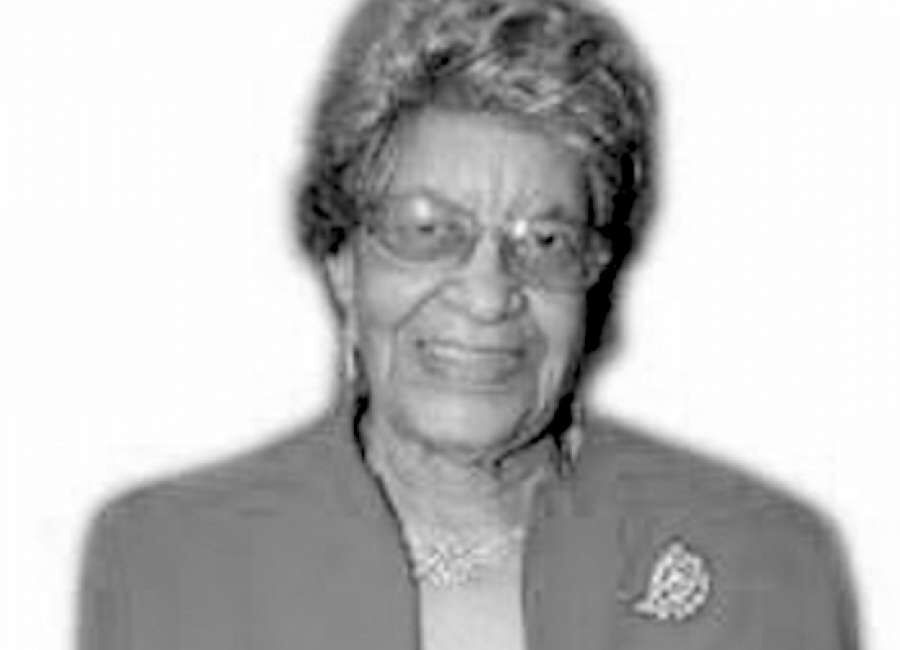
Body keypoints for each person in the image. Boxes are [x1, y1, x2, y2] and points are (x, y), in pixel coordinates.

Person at [77, 0, 859, 648]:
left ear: (596, 275)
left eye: (545, 243)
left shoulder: (767, 561)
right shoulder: (169, 557)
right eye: (427, 230)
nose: (487, 295)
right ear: (343, 260)